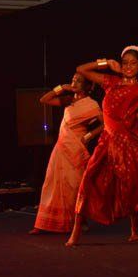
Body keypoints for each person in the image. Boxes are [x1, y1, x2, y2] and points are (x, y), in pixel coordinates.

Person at [65, 46, 138, 246]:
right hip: (106, 141)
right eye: (125, 62)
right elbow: (81, 69)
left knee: (129, 187)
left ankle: (135, 228)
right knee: (88, 180)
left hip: (127, 144)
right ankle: (76, 230)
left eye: (133, 63)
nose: (128, 66)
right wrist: (104, 63)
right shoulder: (110, 82)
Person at [29, 73, 103, 235]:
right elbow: (44, 100)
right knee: (52, 183)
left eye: (79, 81)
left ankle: (78, 221)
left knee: (74, 185)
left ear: (88, 86)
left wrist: (89, 136)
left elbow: (105, 124)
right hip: (61, 148)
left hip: (76, 148)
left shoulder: (92, 105)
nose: (74, 82)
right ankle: (43, 223)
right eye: (73, 80)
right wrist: (61, 88)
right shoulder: (68, 100)